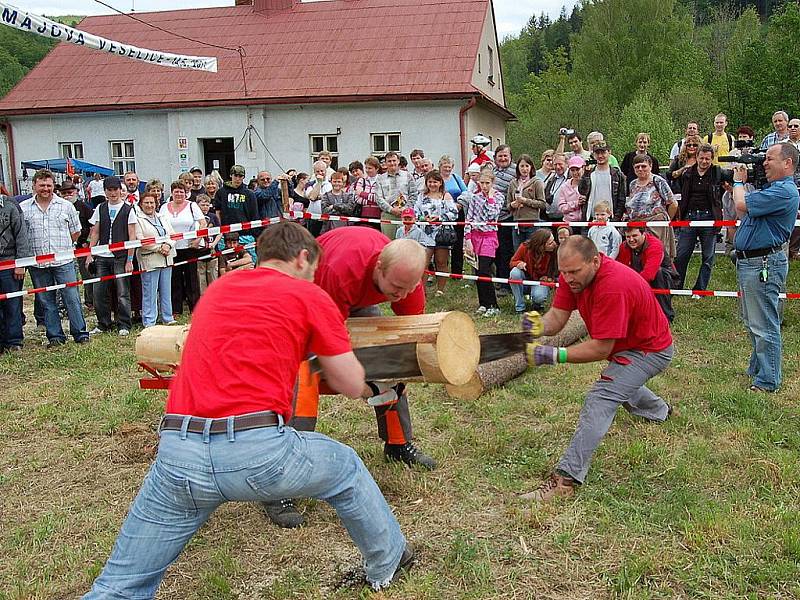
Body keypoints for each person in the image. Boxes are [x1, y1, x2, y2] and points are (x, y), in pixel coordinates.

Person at [83, 222, 414, 598]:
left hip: (177, 452)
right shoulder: (309, 296)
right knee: (346, 467)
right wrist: (372, 384)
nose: (314, 278)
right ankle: (390, 561)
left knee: (118, 586)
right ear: (304, 257)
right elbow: (349, 382)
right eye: (313, 270)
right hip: (257, 454)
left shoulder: (219, 290)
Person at [262, 228, 435, 528]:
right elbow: (327, 343)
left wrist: (403, 361)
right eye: (396, 288)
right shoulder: (339, 271)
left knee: (389, 357)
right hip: (301, 299)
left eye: (409, 288)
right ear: (379, 266)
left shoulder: (405, 277)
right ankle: (279, 484)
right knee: (304, 380)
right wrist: (358, 382)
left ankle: (398, 443)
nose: (401, 296)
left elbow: (411, 329)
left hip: (349, 297)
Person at [520, 236, 674, 501]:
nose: (567, 279)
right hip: (628, 347)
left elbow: (601, 348)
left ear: (595, 260)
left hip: (650, 351)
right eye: (564, 272)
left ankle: (565, 481)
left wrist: (554, 355)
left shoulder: (613, 286)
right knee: (621, 383)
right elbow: (557, 317)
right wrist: (538, 326)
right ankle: (661, 411)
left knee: (601, 397)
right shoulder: (575, 276)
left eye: (574, 272)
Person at [731, 143, 800, 392]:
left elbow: (741, 206)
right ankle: (759, 368)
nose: (764, 163)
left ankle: (768, 380)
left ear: (787, 163)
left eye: (770, 159)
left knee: (764, 323)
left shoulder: (784, 192)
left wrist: (739, 182)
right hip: (751, 261)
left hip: (763, 264)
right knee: (753, 320)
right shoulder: (772, 190)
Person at [20, 170, 89, 346]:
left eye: (49, 185)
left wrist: (63, 248)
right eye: (42, 185)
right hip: (37, 263)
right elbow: (22, 235)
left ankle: (80, 334)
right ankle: (55, 336)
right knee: (46, 300)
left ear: (53, 187)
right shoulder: (24, 208)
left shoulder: (66, 206)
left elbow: (76, 232)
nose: (45, 188)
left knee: (71, 298)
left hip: (63, 261)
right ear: (34, 185)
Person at [86, 175, 139, 337]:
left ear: (120, 190)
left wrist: (130, 259)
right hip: (102, 256)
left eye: (115, 189)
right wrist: (90, 253)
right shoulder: (100, 208)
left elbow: (132, 236)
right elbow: (95, 232)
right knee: (99, 292)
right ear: (105, 192)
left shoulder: (128, 209)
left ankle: (124, 323)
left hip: (120, 256)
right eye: (109, 190)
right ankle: (103, 323)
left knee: (123, 292)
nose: (113, 193)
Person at [673, 143, 724, 294]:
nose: (704, 162)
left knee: (708, 257)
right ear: (696, 157)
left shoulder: (717, 172)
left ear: (712, 159)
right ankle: (677, 287)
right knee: (682, 254)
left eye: (707, 159)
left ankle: (700, 289)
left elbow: (732, 179)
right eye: (701, 158)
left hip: (709, 217)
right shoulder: (687, 173)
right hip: (690, 217)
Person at [160, 182, 206, 316]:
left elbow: (203, 223)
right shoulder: (164, 207)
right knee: (174, 279)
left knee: (192, 279)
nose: (179, 194)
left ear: (186, 193)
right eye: (176, 191)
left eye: (181, 191)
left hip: (189, 247)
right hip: (172, 248)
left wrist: (198, 239)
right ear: (172, 192)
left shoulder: (192, 206)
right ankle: (176, 309)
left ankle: (195, 308)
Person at [617, 226, 677, 322]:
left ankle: (666, 316)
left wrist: (632, 288)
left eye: (634, 235)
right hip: (639, 279)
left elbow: (649, 274)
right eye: (628, 237)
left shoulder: (655, 245)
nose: (631, 240)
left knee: (659, 273)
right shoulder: (623, 247)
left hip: (664, 279)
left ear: (643, 234)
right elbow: (622, 270)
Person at [465, 166, 503, 317]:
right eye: (482, 183)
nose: (485, 186)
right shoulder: (475, 197)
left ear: (492, 183)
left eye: (487, 183)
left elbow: (492, 214)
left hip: (489, 236)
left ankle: (494, 305)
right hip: (475, 236)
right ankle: (483, 303)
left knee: (485, 269)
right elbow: (469, 218)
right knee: (477, 271)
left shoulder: (498, 197)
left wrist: (490, 197)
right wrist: (467, 239)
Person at [135, 191, 177, 327]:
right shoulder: (137, 219)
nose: (149, 205)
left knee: (166, 290)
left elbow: (173, 235)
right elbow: (140, 239)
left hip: (166, 258)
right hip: (150, 260)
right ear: (141, 204)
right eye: (146, 202)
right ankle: (149, 321)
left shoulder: (162, 217)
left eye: (151, 202)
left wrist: (168, 245)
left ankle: (168, 317)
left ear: (156, 204)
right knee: (150, 292)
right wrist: (159, 248)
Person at [414, 169, 458, 296]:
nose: (432, 184)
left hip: (442, 234)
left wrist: (440, 218)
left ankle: (440, 290)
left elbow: (454, 213)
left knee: (441, 262)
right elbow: (416, 212)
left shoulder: (446, 196)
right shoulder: (421, 196)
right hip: (425, 233)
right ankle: (421, 290)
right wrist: (423, 219)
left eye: (435, 182)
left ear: (440, 183)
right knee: (423, 262)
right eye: (430, 182)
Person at [625, 154, 677, 259]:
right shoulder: (632, 184)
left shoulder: (658, 181)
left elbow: (673, 204)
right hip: (637, 227)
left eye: (643, 166)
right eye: (637, 167)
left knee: (655, 256)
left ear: (650, 166)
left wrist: (664, 221)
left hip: (656, 226)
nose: (640, 169)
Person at [0, 192, 32, 352]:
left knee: (12, 304)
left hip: (9, 263)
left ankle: (14, 341)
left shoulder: (11, 205)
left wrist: (21, 263)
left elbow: (22, 236)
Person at [61, 179, 94, 310]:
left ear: (76, 192)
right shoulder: (59, 207)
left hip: (82, 247)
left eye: (70, 192)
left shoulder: (84, 207)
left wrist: (87, 242)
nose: (67, 195)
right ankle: (66, 305)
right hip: (64, 248)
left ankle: (90, 301)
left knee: (87, 275)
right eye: (64, 193)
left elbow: (93, 226)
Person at [214, 165, 259, 261]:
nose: (238, 179)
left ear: (243, 177)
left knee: (250, 261)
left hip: (245, 235)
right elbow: (218, 213)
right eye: (235, 175)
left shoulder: (250, 194)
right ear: (231, 175)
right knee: (226, 264)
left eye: (240, 176)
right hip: (226, 235)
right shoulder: (221, 192)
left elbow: (254, 215)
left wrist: (254, 234)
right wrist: (220, 230)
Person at [508, 228, 558, 314]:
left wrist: (550, 278)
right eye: (550, 243)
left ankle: (537, 304)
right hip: (526, 280)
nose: (554, 244)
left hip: (540, 282)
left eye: (553, 240)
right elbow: (512, 262)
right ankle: (519, 307)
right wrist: (519, 263)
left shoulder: (555, 251)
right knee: (514, 273)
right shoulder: (524, 247)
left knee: (539, 297)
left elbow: (558, 271)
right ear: (541, 245)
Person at [579, 141, 627, 221]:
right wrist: (586, 174)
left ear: (609, 153)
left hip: (610, 218)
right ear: (593, 155)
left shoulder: (618, 175)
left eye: (603, 152)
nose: (600, 156)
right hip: (591, 218)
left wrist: (616, 218)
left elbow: (621, 200)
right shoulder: (589, 173)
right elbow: (582, 191)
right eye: (597, 153)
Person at [507, 154, 546, 249]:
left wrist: (525, 201)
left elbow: (542, 204)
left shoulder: (537, 182)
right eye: (522, 166)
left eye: (527, 166)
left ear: (531, 167)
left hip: (532, 223)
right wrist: (513, 205)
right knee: (518, 250)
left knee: (532, 250)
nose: (524, 169)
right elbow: (508, 206)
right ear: (518, 168)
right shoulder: (513, 183)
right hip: (517, 223)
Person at [375, 151, 417, 239]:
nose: (392, 163)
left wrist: (404, 209)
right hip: (388, 215)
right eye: (389, 161)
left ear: (398, 161)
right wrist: (391, 210)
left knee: (405, 244)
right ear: (386, 163)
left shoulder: (408, 176)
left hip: (406, 215)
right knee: (389, 243)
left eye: (394, 160)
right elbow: (379, 198)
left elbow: (413, 195)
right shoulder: (380, 179)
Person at [439, 155, 468, 276]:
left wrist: (460, 203)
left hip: (457, 211)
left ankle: (457, 271)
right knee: (442, 240)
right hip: (441, 212)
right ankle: (441, 269)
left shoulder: (456, 178)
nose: (447, 169)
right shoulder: (437, 178)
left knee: (458, 241)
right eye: (445, 167)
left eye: (449, 167)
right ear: (440, 166)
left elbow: (466, 192)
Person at [196, 194, 221, 294]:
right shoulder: (195, 218)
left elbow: (220, 232)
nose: (205, 207)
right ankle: (203, 298)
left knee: (213, 275)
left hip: (212, 250)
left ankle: (214, 296)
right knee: (201, 277)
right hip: (199, 252)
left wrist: (214, 244)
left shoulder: (213, 217)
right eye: (202, 205)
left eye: (207, 205)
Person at [320, 169, 357, 233]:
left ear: (342, 183)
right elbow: (325, 211)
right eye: (334, 181)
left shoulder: (348, 196)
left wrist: (334, 206)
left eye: (339, 182)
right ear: (331, 182)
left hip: (345, 228)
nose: (337, 184)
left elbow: (350, 210)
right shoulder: (326, 196)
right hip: (329, 228)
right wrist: (342, 208)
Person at [304, 160, 333, 237]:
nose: (320, 173)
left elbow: (331, 199)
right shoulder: (310, 184)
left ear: (326, 170)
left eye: (322, 171)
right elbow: (312, 197)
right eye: (317, 171)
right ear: (314, 172)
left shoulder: (331, 184)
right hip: (313, 218)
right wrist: (319, 182)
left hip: (327, 218)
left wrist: (319, 196)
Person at [352, 157, 381, 230]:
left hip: (379, 215)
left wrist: (362, 193)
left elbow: (380, 199)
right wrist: (373, 201)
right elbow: (356, 198)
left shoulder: (382, 180)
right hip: (363, 215)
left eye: (370, 168)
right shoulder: (361, 180)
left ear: (377, 168)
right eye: (366, 168)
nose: (367, 170)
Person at [557, 156, 586, 226]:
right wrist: (576, 203)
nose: (575, 172)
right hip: (569, 223)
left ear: (583, 168)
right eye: (572, 170)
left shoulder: (589, 185)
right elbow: (561, 207)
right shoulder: (564, 187)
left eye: (577, 169)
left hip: (585, 222)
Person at [544, 153, 567, 221]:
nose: (558, 167)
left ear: (566, 164)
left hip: (565, 218)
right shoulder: (550, 178)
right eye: (555, 164)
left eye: (560, 164)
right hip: (550, 217)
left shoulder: (571, 178)